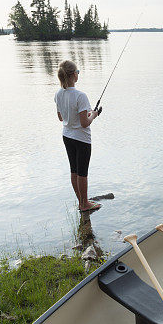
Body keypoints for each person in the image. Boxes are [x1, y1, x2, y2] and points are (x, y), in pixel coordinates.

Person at [55, 60, 102, 212]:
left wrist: (84, 115)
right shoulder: (81, 96)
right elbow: (84, 123)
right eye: (78, 72)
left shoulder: (58, 94)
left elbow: (61, 118)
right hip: (81, 139)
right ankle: (85, 204)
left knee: (74, 170)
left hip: (67, 136)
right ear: (74, 75)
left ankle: (81, 201)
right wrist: (93, 115)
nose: (78, 74)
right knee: (82, 172)